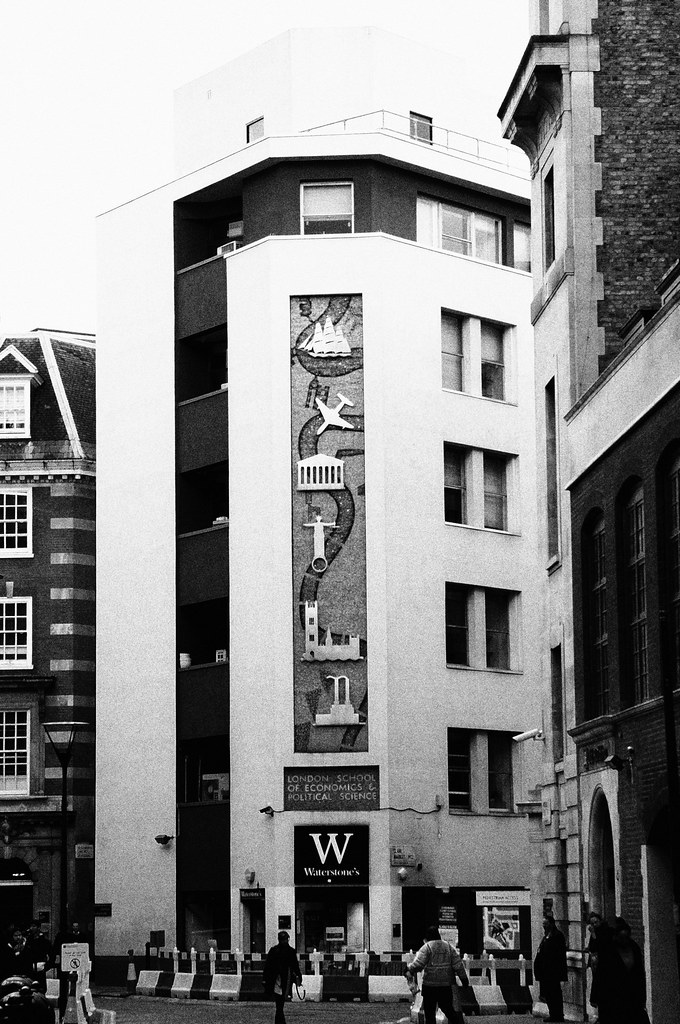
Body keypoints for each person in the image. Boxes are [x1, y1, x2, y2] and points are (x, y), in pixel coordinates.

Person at [405, 925, 470, 1024]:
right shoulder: (448, 947)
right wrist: (464, 979)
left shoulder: (427, 947)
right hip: (446, 984)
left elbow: (418, 964)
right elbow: (458, 965)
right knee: (447, 1008)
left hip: (430, 985)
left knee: (430, 1013)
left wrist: (409, 969)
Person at [589, 917, 647, 1024]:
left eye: (626, 937)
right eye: (621, 937)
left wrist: (642, 998)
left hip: (631, 995)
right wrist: (595, 997)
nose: (624, 941)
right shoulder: (608, 950)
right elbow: (600, 974)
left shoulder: (634, 948)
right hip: (611, 996)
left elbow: (639, 974)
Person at [52, 922, 89, 1023]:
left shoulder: (65, 937)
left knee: (66, 990)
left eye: (77, 926)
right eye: (74, 926)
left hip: (69, 968)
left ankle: (63, 1015)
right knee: (67, 990)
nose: (75, 928)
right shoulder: (66, 937)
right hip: (67, 967)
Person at [533, 914, 567, 1023]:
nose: (544, 926)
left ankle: (558, 1015)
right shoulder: (546, 936)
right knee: (548, 994)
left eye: (546, 924)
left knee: (555, 993)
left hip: (553, 970)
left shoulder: (557, 936)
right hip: (545, 971)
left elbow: (558, 954)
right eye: (543, 924)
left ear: (551, 924)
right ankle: (553, 1013)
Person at [263, 931, 302, 1024]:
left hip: (280, 979)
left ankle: (280, 1021)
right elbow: (295, 966)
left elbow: (267, 966)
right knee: (280, 1003)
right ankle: (280, 1021)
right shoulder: (290, 951)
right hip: (282, 979)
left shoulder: (274, 950)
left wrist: (265, 979)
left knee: (279, 1002)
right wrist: (299, 976)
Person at [23, 922, 52, 994]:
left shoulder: (44, 941)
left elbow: (51, 954)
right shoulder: (28, 940)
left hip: (40, 967)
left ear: (38, 928)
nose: (32, 928)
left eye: (34, 926)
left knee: (41, 988)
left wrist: (47, 966)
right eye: (31, 926)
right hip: (30, 968)